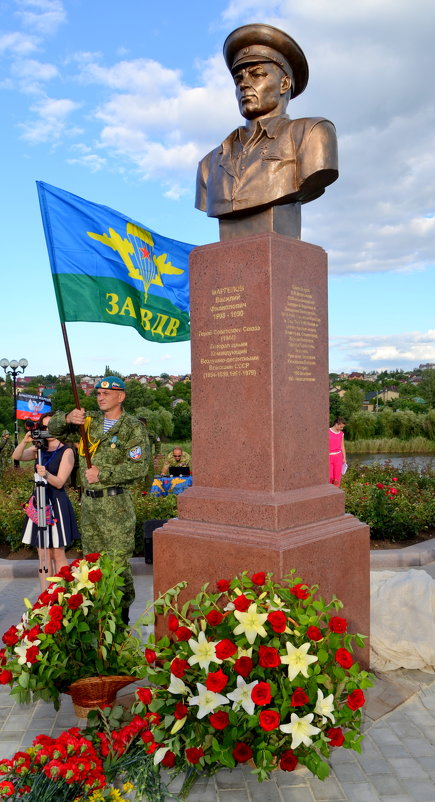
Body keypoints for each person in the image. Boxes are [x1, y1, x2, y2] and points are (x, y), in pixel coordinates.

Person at [196, 23, 338, 240]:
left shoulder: (312, 134)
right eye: (239, 79)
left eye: (256, 74)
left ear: (284, 84)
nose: (244, 85)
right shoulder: (208, 165)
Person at [48, 376, 150, 624]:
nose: (101, 397)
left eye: (107, 393)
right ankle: (99, 621)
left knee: (117, 566)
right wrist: (68, 418)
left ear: (121, 396)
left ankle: (121, 619)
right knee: (92, 565)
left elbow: (139, 467)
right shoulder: (89, 422)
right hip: (91, 506)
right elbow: (53, 429)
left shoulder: (132, 427)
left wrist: (103, 474)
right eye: (98, 394)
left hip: (116, 507)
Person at [12, 413, 80, 589]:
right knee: (42, 553)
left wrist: (46, 474)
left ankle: (62, 595)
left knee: (57, 552)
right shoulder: (39, 449)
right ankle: (45, 597)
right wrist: (26, 440)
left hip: (56, 502)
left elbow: (59, 482)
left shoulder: (67, 451)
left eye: (51, 427)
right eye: (43, 428)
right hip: (39, 502)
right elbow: (17, 456)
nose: (46, 431)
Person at [329, 417, 346, 487]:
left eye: (342, 427)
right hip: (329, 456)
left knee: (337, 478)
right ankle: (328, 491)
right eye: (341, 427)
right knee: (330, 476)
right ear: (336, 424)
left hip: (338, 457)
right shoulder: (327, 431)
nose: (342, 429)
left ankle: (336, 493)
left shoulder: (341, 434)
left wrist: (344, 457)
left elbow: (342, 446)